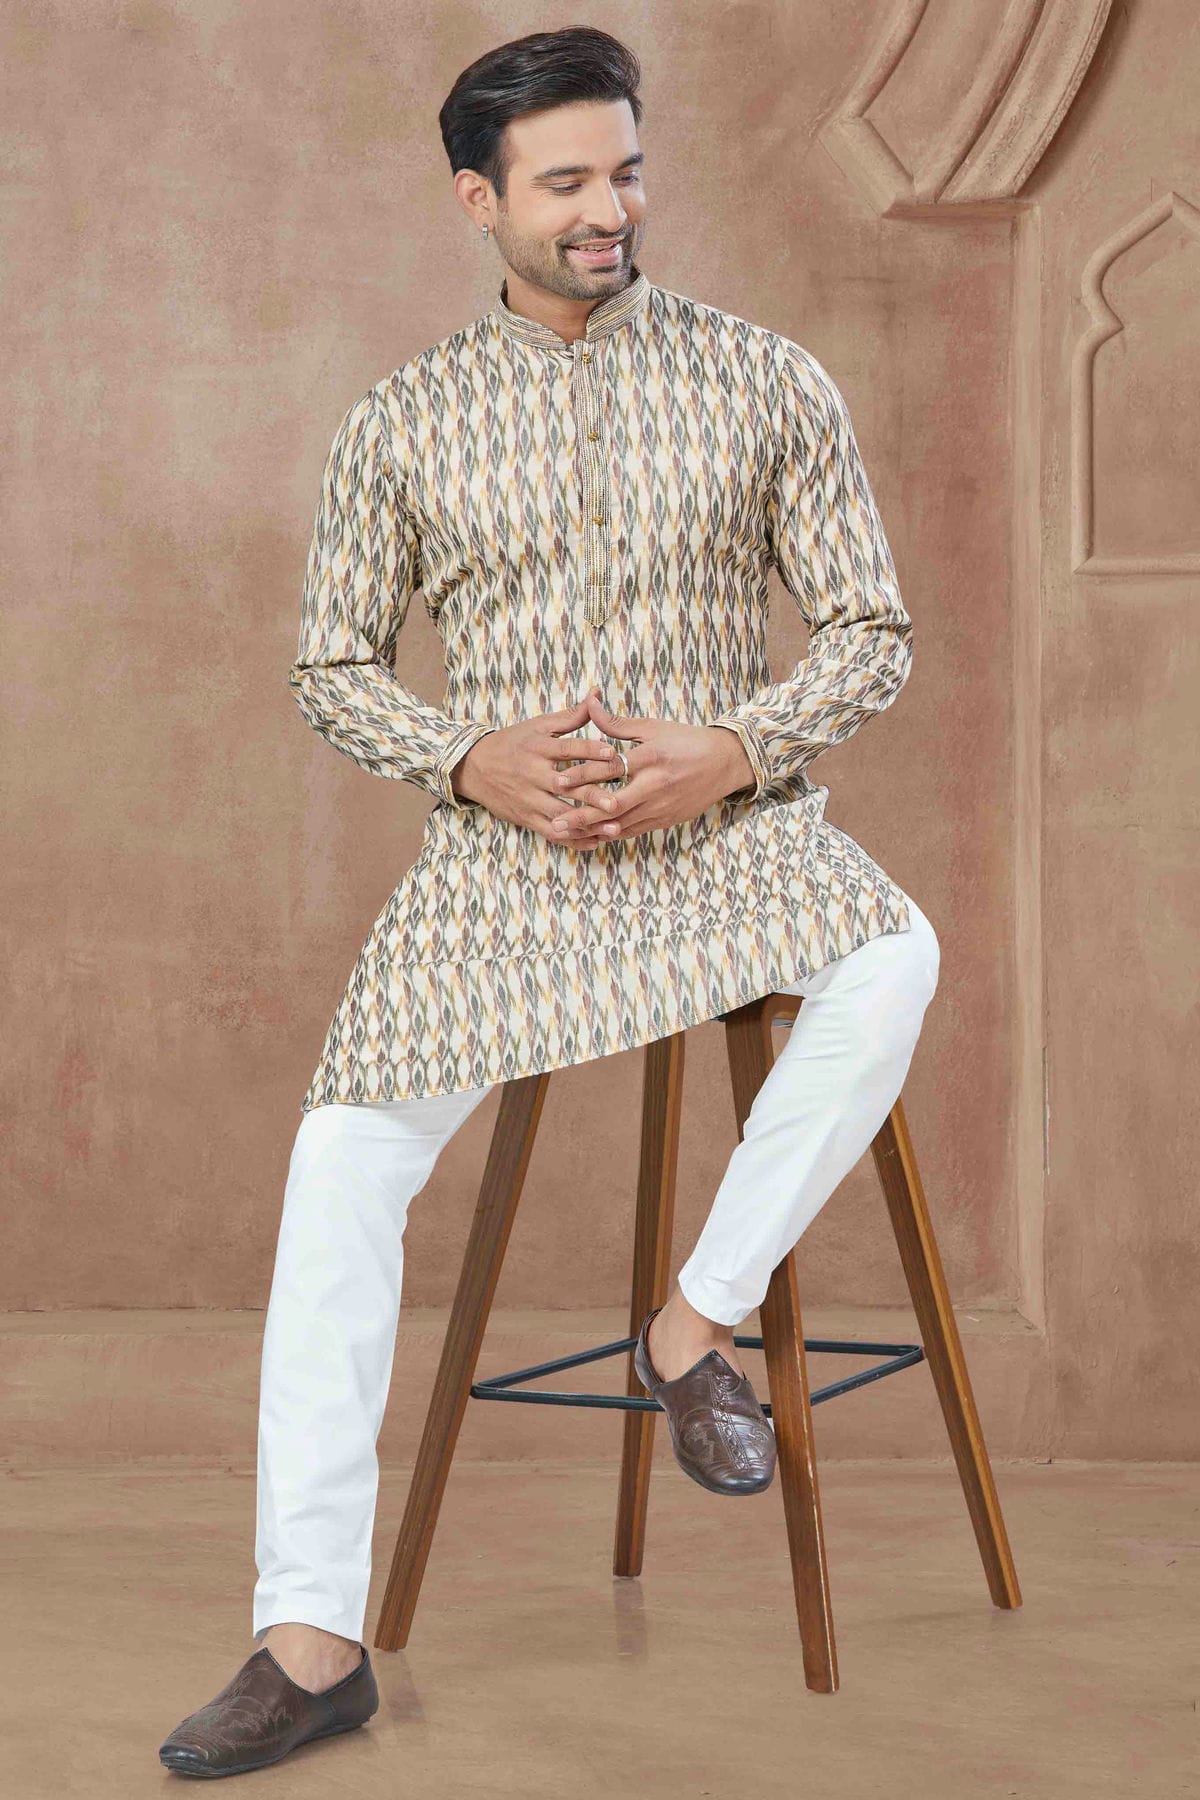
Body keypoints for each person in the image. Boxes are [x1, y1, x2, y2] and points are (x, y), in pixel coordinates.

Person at [158, 23, 940, 1779]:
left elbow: (872, 632)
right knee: (341, 1165)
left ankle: (692, 1326)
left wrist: (735, 747)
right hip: (500, 878)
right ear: (478, 200)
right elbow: (330, 665)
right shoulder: (403, 420)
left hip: (733, 850)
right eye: (568, 182)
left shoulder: (766, 380)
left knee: (897, 956)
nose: (611, 210)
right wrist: (465, 760)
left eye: (628, 173)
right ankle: (308, 1636)